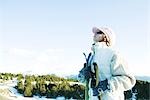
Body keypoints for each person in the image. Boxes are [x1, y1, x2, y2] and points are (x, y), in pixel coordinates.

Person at [78, 27, 136, 100]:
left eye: (98, 32)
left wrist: (106, 85)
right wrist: (83, 74)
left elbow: (128, 80)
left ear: (105, 36)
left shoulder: (113, 54)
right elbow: (83, 80)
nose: (94, 34)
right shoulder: (92, 56)